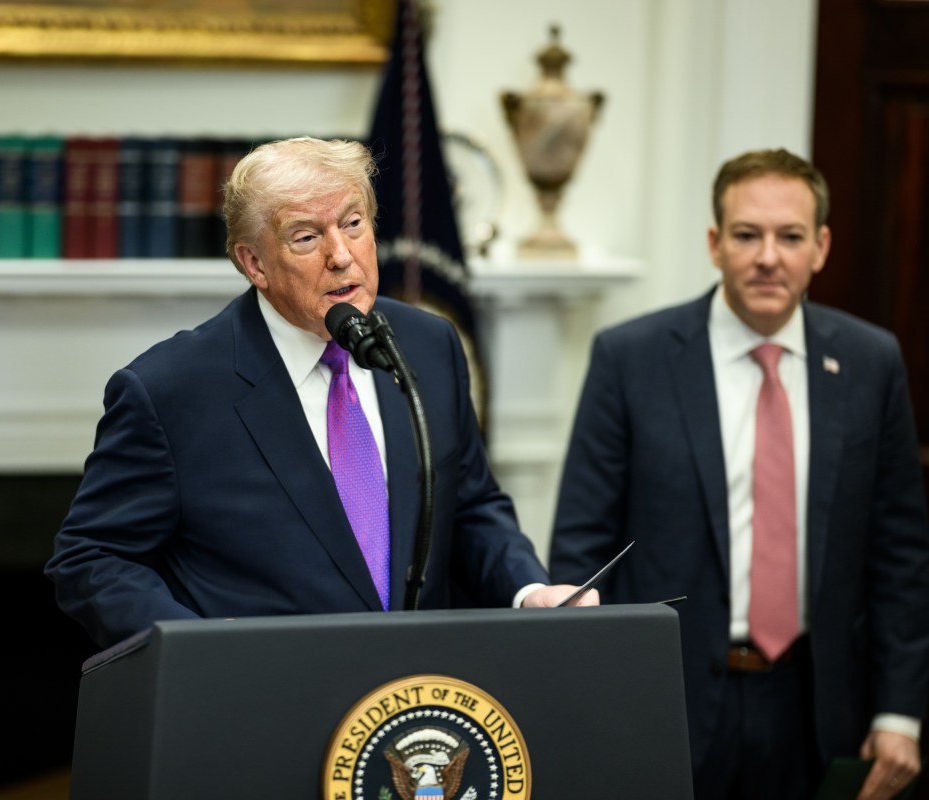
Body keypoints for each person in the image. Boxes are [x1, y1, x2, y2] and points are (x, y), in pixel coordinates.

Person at [46, 136, 592, 652]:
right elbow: (92, 557)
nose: (341, 254)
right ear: (254, 262)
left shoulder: (429, 346)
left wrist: (528, 590)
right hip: (264, 708)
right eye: (306, 236)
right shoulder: (169, 390)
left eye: (354, 224)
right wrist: (195, 650)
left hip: (414, 698)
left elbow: (470, 506)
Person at [548, 148, 929, 800]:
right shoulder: (631, 359)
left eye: (790, 237)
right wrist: (596, 704)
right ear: (715, 243)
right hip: (671, 699)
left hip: (821, 705)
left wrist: (898, 713)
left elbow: (900, 555)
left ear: (822, 246)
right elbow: (583, 548)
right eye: (748, 235)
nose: (768, 257)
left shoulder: (871, 362)